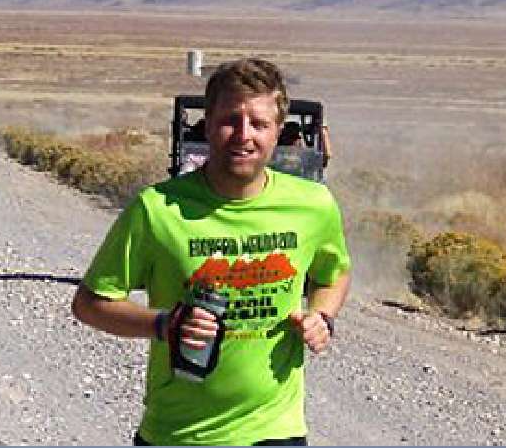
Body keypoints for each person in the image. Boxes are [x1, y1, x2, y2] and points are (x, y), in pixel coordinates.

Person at [72, 58, 352, 446]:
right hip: (180, 434)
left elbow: (333, 272)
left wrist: (322, 316)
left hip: (276, 431)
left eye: (259, 124)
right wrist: (164, 325)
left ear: (277, 132)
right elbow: (90, 304)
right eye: (229, 120)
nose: (243, 136)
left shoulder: (313, 205)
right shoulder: (156, 209)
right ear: (207, 124)